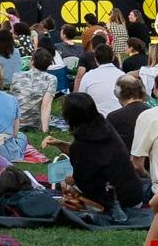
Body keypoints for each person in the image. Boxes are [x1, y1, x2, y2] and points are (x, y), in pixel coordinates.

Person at [56, 90, 152, 224]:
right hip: (135, 193)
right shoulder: (106, 128)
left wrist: (70, 182)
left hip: (117, 200)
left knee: (65, 183)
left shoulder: (82, 144)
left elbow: (84, 181)